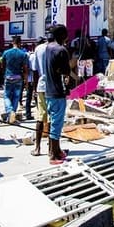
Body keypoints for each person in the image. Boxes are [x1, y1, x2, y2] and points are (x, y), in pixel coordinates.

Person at [43, 24, 72, 165]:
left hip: (48, 90)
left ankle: (56, 149)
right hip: (58, 91)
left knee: (53, 121)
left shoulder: (47, 48)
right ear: (62, 35)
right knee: (57, 124)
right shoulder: (61, 50)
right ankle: (54, 155)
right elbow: (66, 72)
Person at [29, 35, 51, 156]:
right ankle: (52, 148)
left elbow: (35, 71)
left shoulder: (38, 49)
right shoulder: (56, 48)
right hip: (53, 87)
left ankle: (37, 148)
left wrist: (34, 89)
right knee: (52, 118)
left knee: (40, 117)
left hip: (41, 86)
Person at [0, 35, 28, 123]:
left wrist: (4, 74)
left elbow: (2, 65)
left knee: (7, 96)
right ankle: (13, 113)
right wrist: (26, 81)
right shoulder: (23, 54)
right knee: (16, 96)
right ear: (20, 43)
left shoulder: (6, 53)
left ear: (12, 43)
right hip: (18, 77)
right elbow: (25, 69)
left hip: (8, 76)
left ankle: (10, 111)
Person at [24, 42, 38, 121]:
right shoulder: (35, 56)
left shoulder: (29, 56)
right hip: (34, 78)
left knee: (29, 97)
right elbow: (35, 69)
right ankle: (39, 112)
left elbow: (26, 68)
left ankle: (28, 114)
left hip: (29, 78)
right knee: (36, 96)